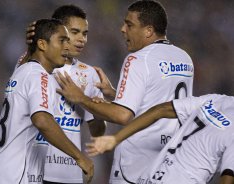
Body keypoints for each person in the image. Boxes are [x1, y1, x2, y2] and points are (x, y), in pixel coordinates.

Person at [55, 0, 194, 183]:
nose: (123, 29)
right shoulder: (184, 58)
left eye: (129, 25)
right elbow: (159, 103)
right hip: (170, 161)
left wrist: (81, 98)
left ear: (148, 30)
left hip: (136, 164)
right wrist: (114, 93)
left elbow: (122, 116)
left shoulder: (137, 59)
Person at [0, 19, 93, 184]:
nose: (67, 46)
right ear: (42, 44)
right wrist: (79, 157)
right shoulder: (38, 75)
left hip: (0, 170)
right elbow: (42, 120)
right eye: (62, 40)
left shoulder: (22, 70)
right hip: (17, 174)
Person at [25, 5, 106, 184]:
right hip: (34, 171)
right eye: (75, 32)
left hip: (71, 174)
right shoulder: (36, 66)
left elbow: (97, 133)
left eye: (85, 33)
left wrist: (94, 108)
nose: (81, 39)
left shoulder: (90, 74)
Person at [86, 94, 234, 184]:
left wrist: (116, 139)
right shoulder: (219, 100)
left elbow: (161, 110)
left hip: (156, 176)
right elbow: (228, 176)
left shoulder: (219, 100)